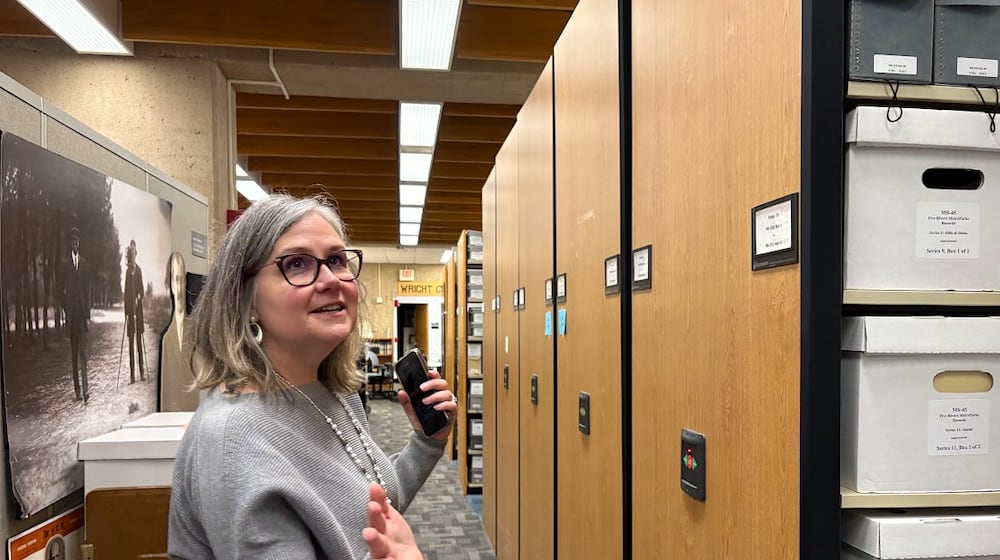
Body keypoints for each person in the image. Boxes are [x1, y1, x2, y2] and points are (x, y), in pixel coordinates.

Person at [168, 194, 456, 559]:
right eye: (297, 264)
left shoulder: (334, 391)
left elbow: (372, 507)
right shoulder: (234, 441)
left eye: (336, 260)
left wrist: (427, 442)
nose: (330, 279)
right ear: (245, 299)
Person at [60, 226, 90, 402]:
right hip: (72, 318)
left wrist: (87, 314)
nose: (75, 244)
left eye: (77, 241)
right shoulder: (65, 265)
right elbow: (59, 290)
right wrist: (67, 308)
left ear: (79, 243)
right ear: (70, 244)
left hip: (82, 318)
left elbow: (87, 290)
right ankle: (77, 391)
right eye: (72, 241)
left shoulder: (84, 265)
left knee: (84, 354)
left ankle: (86, 391)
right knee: (74, 356)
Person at [123, 240, 146, 383]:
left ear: (136, 255)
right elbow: (126, 294)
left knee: (139, 343)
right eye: (130, 254)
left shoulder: (139, 270)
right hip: (131, 314)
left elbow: (142, 290)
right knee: (131, 343)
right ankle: (132, 376)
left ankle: (142, 372)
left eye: (134, 253)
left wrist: (138, 297)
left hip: (139, 312)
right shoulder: (127, 272)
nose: (133, 256)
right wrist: (126, 312)